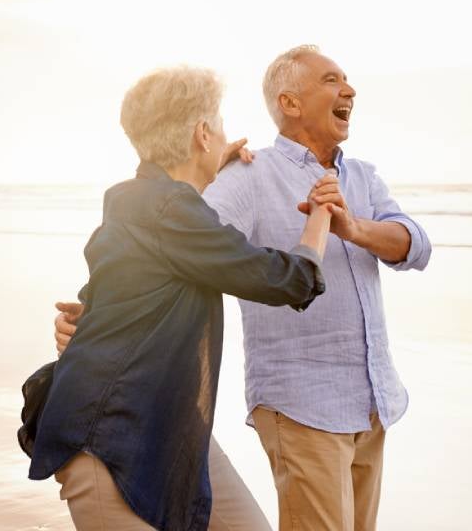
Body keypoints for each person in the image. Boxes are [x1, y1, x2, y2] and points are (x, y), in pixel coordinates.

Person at [57, 46, 432, 530]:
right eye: (331, 79)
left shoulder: (361, 176)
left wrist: (355, 227)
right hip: (299, 404)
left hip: (370, 400)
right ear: (290, 103)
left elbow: (416, 247)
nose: (349, 89)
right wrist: (95, 319)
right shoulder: (246, 178)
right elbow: (169, 248)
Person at [30, 66, 335, 531]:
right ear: (203, 133)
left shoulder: (144, 206)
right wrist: (319, 218)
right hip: (108, 440)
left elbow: (119, 288)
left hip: (168, 428)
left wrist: (87, 320)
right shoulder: (169, 211)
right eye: (220, 127)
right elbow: (285, 280)